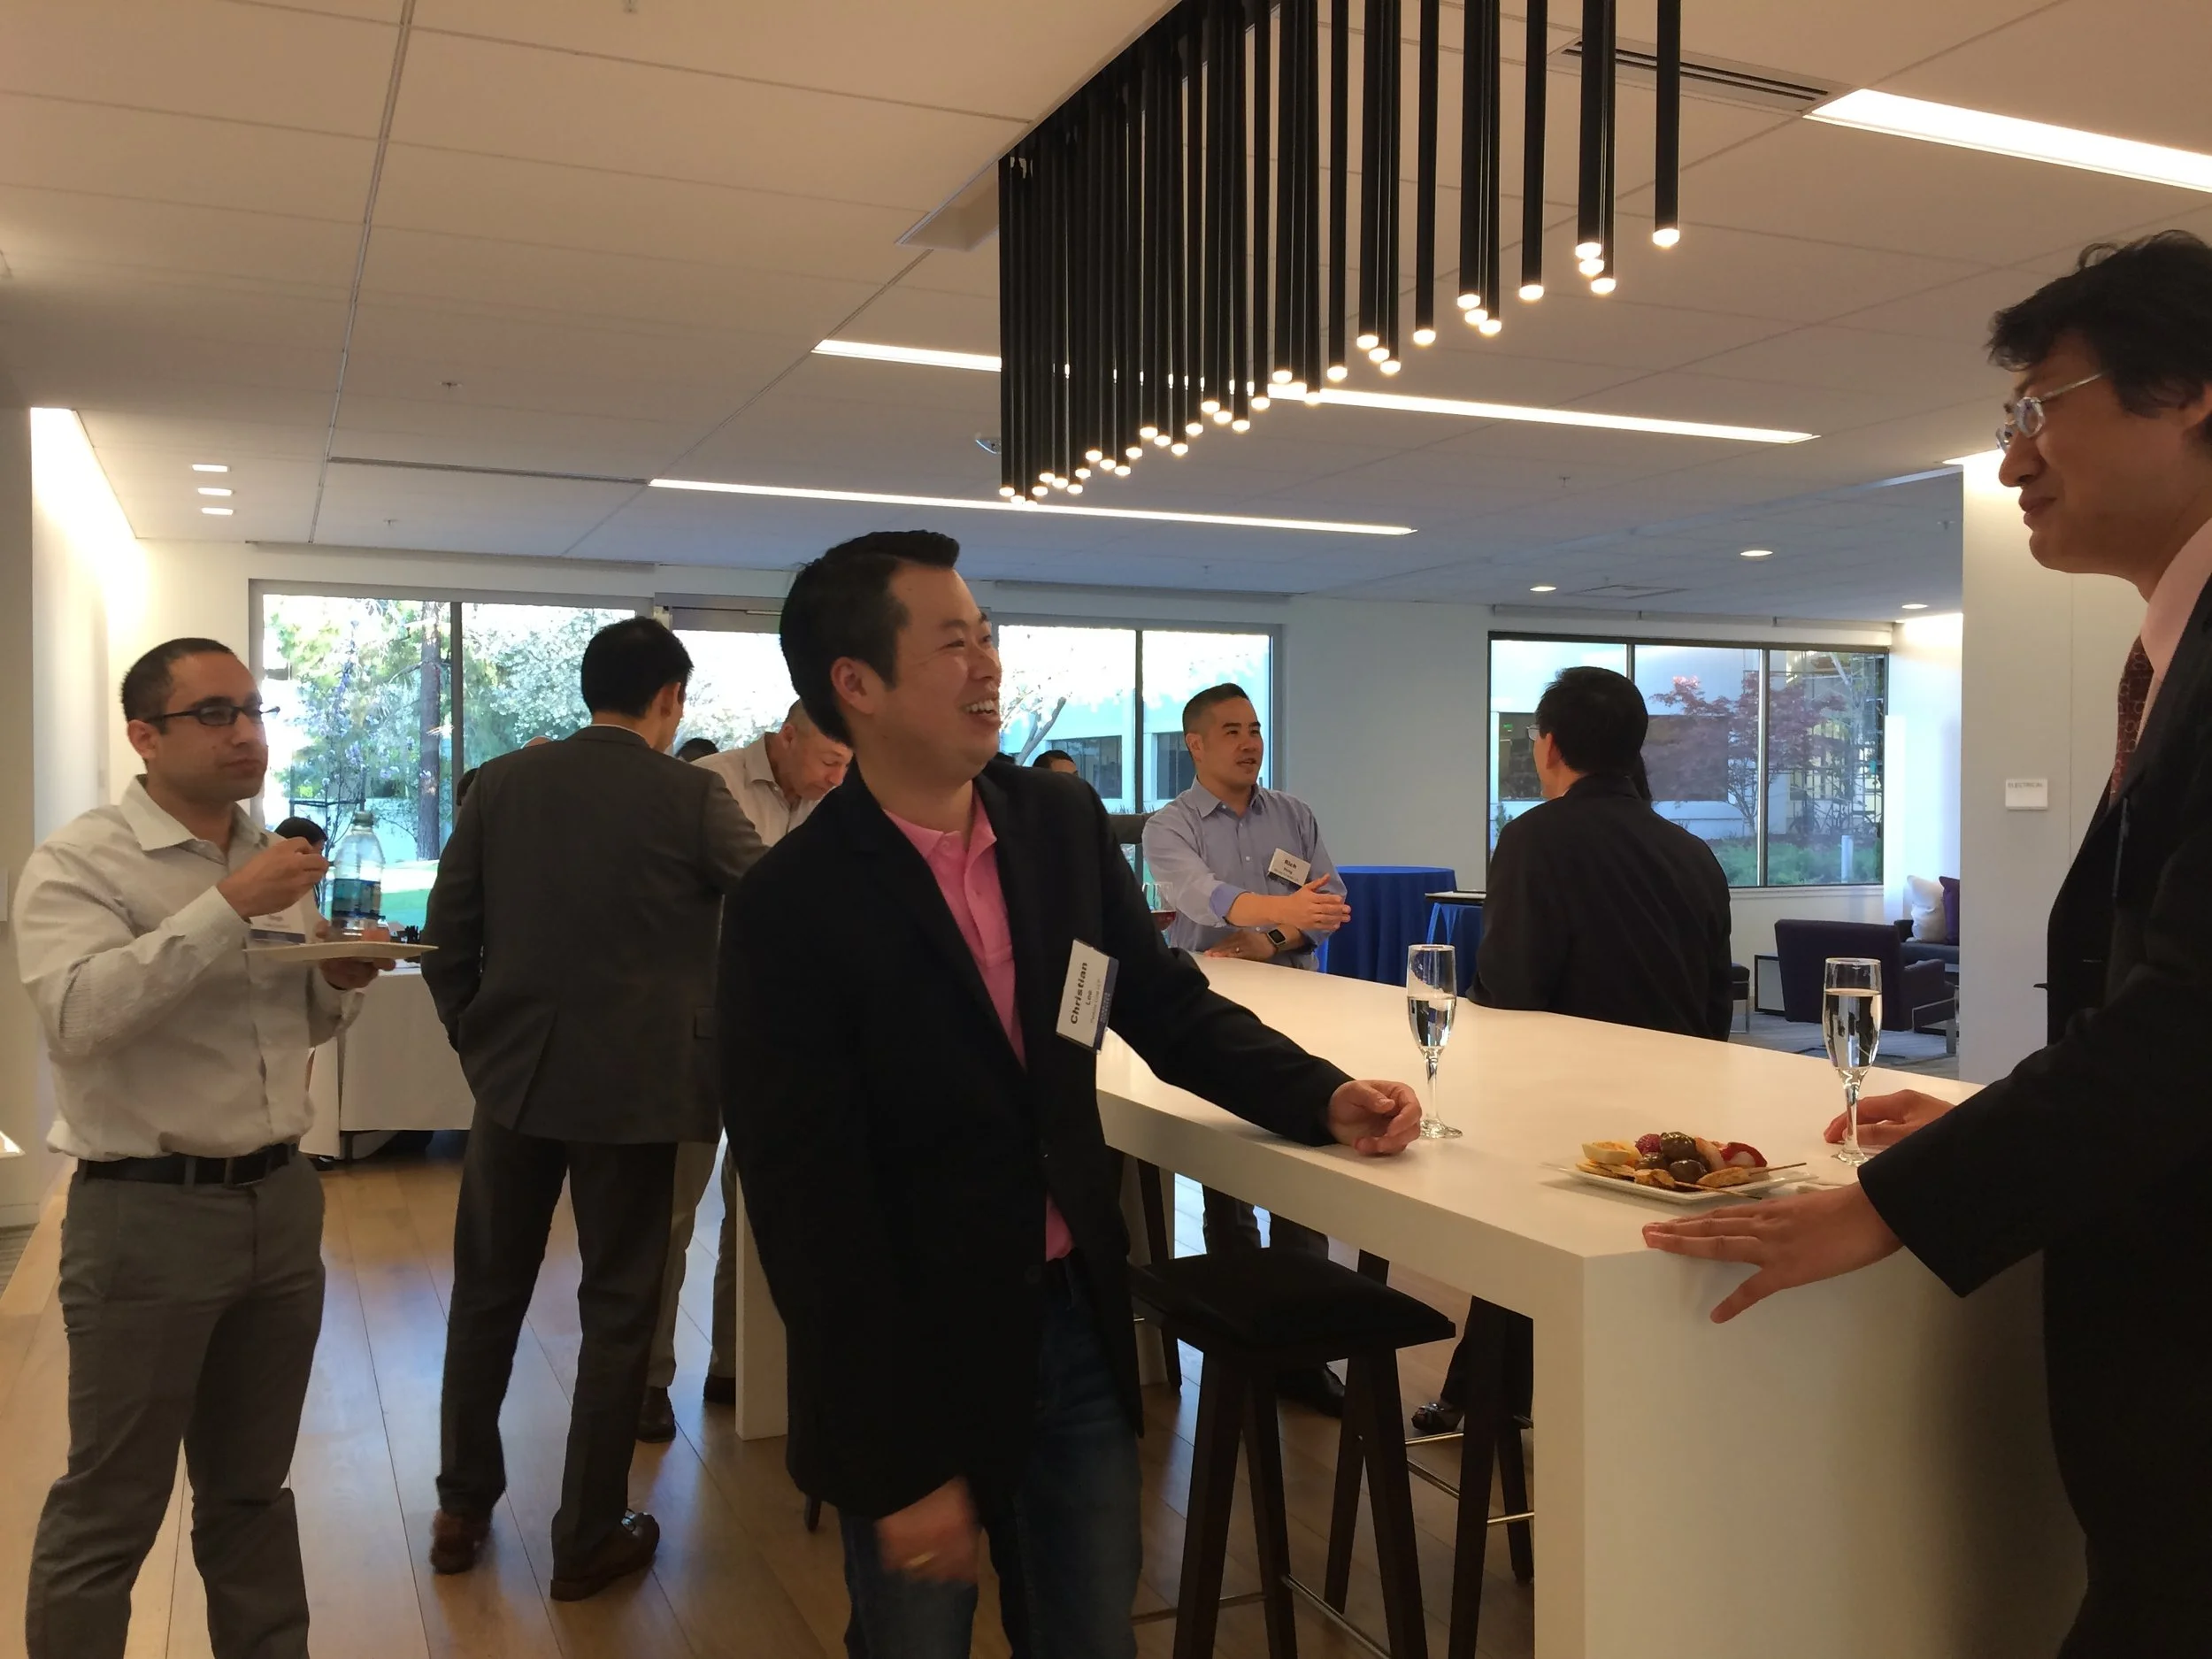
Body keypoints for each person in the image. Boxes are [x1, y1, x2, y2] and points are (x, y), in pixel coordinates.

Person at [1645, 232, 2212, 1656]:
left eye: (2037, 409)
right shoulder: (2175, 655)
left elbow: (2192, 1019)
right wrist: (1990, 1114)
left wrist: (1893, 1203)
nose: (2012, 459)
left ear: (2192, 391)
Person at [720, 530, 1425, 1658]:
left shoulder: (1054, 826)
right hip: (915, 1342)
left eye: (985, 635)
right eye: (951, 643)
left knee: (1091, 1633)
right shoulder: (789, 906)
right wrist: (895, 1458)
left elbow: (1164, 1003)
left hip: (1073, 1322)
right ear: (855, 684)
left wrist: (1322, 1096)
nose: (987, 664)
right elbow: (805, 1204)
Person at [15, 638, 393, 1659]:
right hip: (147, 1214)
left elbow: (290, 1024)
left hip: (281, 1200)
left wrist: (338, 981)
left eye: (254, 711)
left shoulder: (267, 856)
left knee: (252, 1492)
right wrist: (228, 909)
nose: (245, 735)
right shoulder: (81, 862)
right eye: (214, 714)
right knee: (113, 1500)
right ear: (144, 736)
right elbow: (78, 1019)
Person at [421, 617, 767, 1600]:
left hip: (516, 1084)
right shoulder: (692, 796)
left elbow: (448, 937)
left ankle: (461, 1508)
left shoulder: (501, 785)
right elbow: (774, 899)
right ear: (670, 699)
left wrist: (480, 1043)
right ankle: (584, 1536)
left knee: (486, 1294)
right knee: (618, 1310)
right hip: (642, 1090)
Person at [1409, 664, 1732, 1433]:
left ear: (1549, 746)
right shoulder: (1691, 851)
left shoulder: (1534, 838)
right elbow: (1717, 1002)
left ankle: (1494, 1398)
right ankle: (1532, 1399)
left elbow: (1511, 987)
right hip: (1676, 1115)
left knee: (1525, 1251)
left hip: (1563, 1101)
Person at [637, 700, 852, 1440]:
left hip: (790, 1031)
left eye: (848, 766)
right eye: (829, 760)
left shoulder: (837, 805)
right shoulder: (711, 783)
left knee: (761, 1201)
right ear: (785, 737)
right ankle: (647, 1378)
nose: (837, 777)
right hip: (700, 1022)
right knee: (673, 1207)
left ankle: (740, 1365)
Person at [1141, 681, 1353, 1415]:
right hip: (1212, 1017)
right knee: (1226, 1176)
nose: (1249, 742)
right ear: (1195, 743)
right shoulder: (1169, 825)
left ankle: (1306, 1348)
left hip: (1300, 1008)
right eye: (1231, 730)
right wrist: (1283, 912)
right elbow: (1199, 897)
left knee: (1305, 1160)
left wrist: (1270, 935)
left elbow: (1329, 907)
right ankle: (1243, 1341)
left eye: (1255, 728)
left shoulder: (1294, 813)